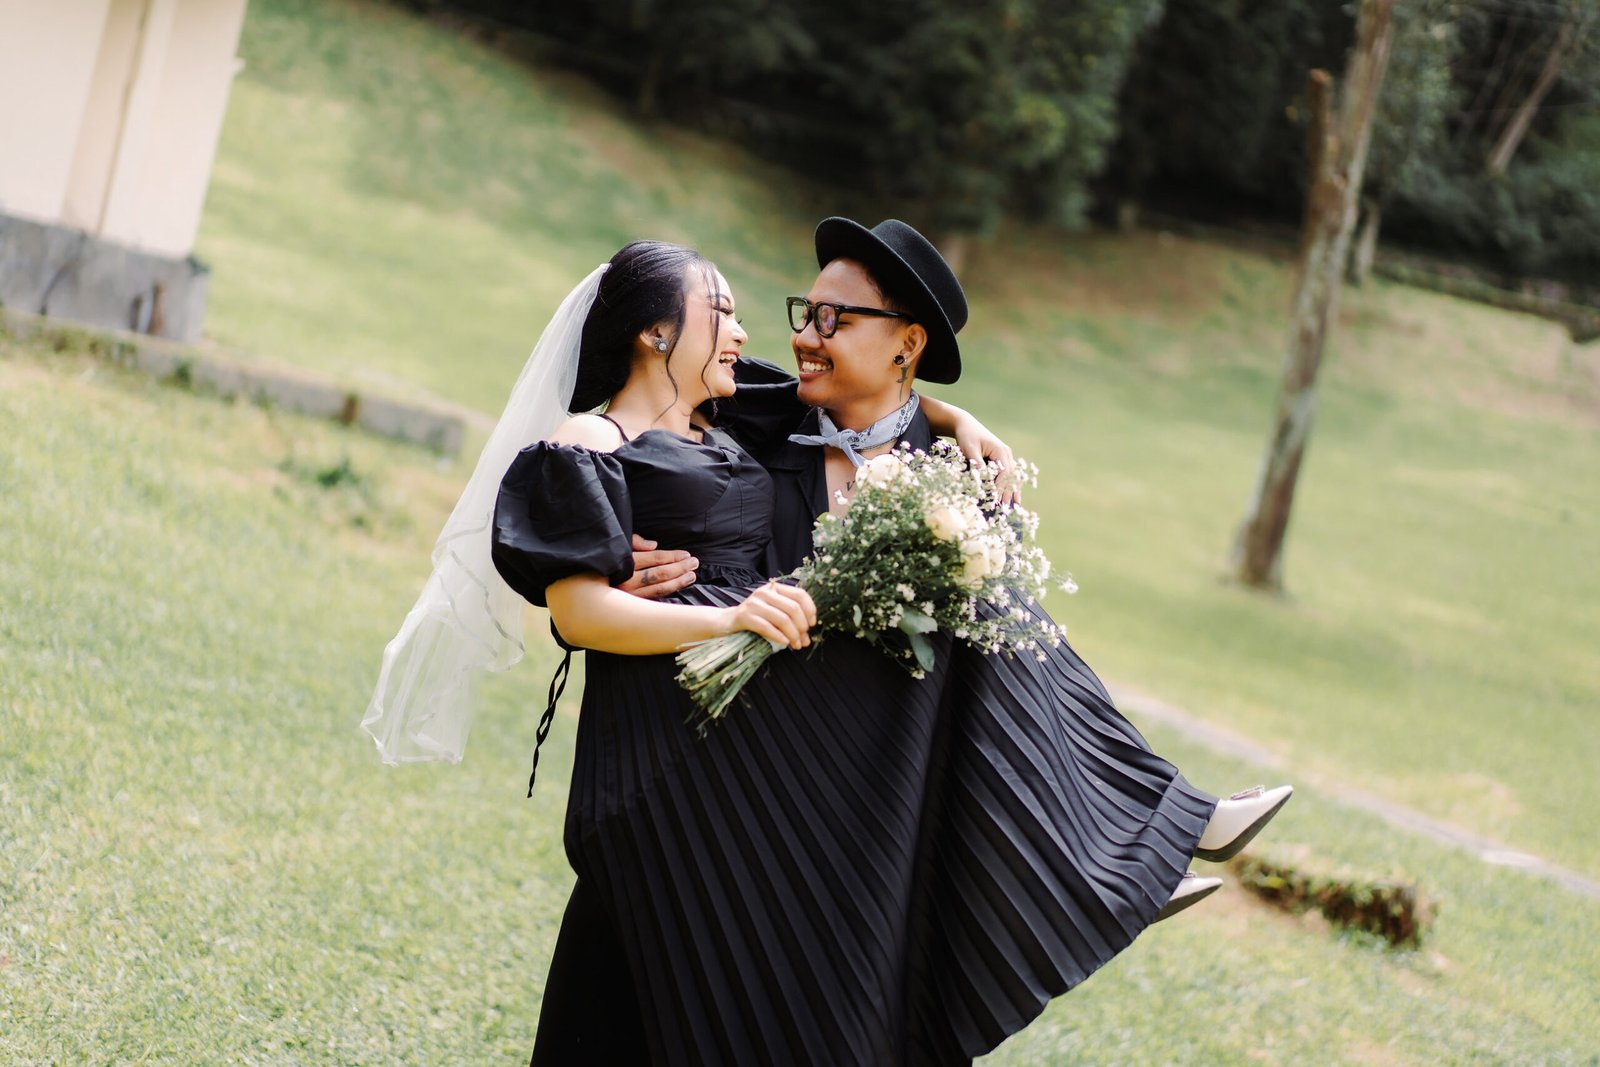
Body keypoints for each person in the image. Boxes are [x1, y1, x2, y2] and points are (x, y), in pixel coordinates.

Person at [365, 231, 1290, 1066]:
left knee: (970, 608)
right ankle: (1102, 861)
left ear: (904, 343)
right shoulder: (661, 425)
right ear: (656, 331)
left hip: (765, 714)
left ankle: (1098, 858)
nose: (783, 335)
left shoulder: (733, 405)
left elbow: (882, 411)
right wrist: (703, 607)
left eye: (832, 318)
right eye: (769, 313)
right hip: (698, 722)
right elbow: (576, 607)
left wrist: (959, 421)